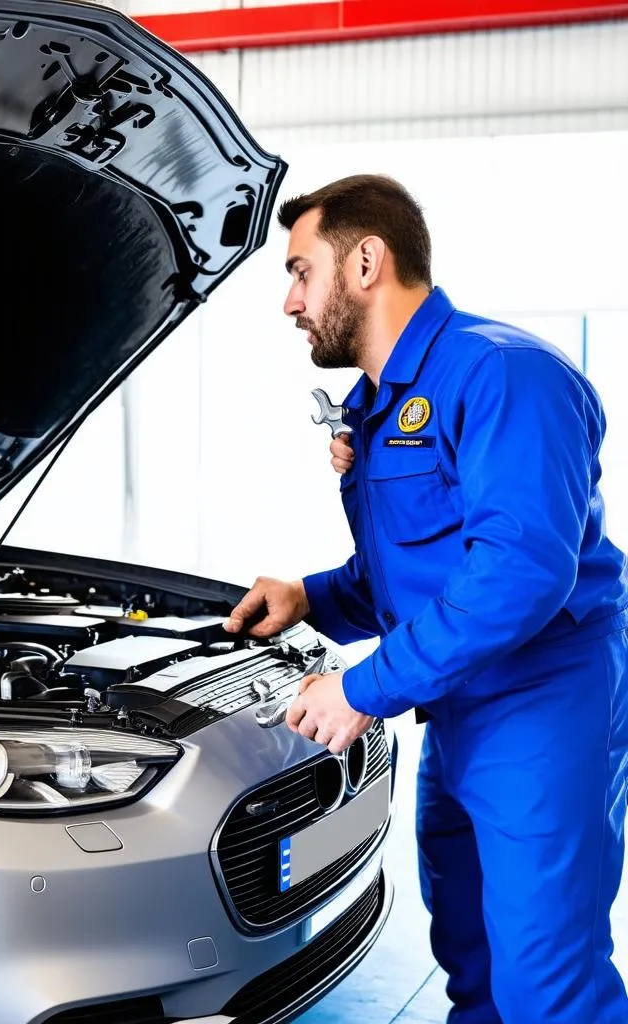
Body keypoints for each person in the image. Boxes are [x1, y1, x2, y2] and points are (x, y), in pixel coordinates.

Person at [223, 173, 628, 1024]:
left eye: (301, 272)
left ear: (366, 260)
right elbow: (407, 581)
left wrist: (361, 689)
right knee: (472, 957)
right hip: (455, 705)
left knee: (547, 986)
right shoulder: (378, 406)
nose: (290, 303)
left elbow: (519, 574)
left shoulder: (505, 375)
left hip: (543, 708)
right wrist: (309, 597)